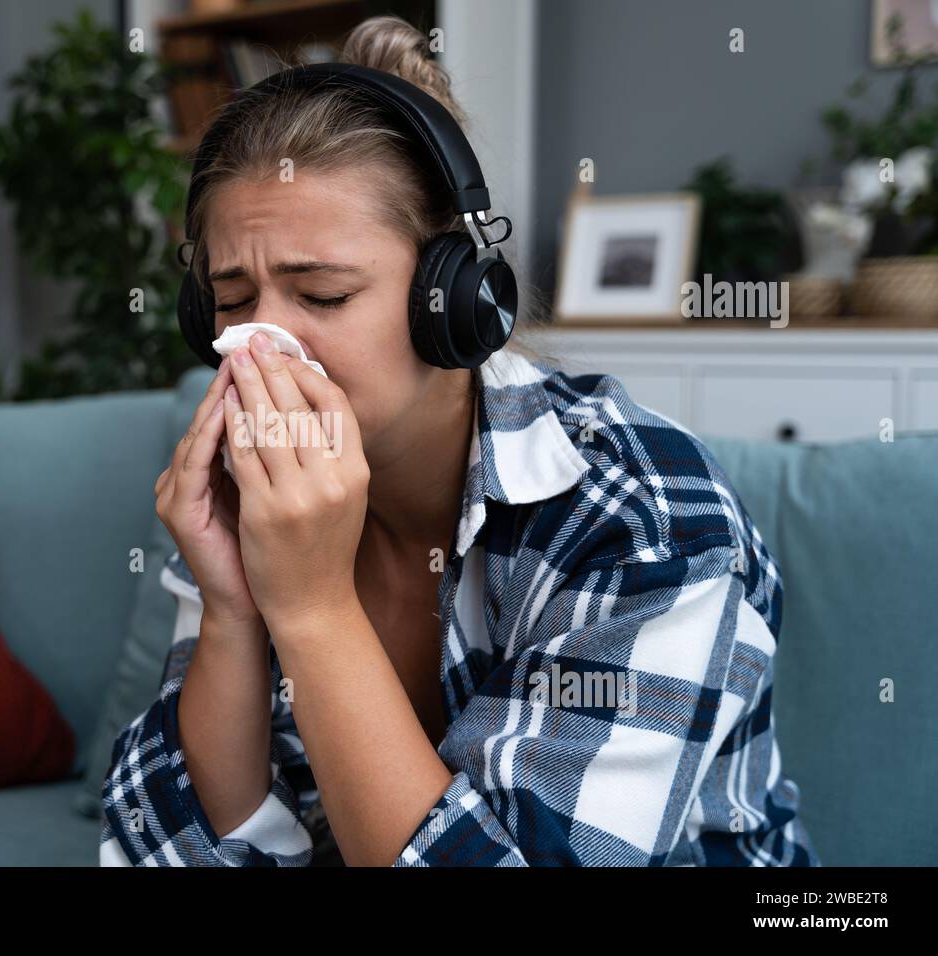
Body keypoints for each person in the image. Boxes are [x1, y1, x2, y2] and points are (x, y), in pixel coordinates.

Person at [99, 15, 817, 867]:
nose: (262, 343)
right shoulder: (257, 490)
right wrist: (231, 608)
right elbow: (177, 852)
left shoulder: (648, 520)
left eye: (321, 295)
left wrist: (313, 607)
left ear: (455, 299)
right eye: (230, 297)